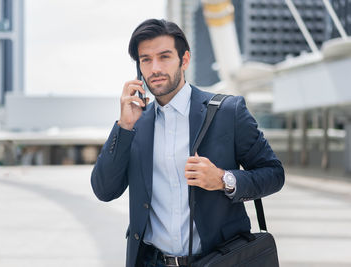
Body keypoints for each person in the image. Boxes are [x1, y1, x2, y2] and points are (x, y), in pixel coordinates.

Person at [91, 18, 284, 267]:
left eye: (164, 56)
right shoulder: (135, 124)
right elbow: (104, 190)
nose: (155, 68)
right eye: (146, 59)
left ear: (184, 60)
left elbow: (274, 174)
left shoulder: (228, 112)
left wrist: (224, 179)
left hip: (219, 260)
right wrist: (124, 127)